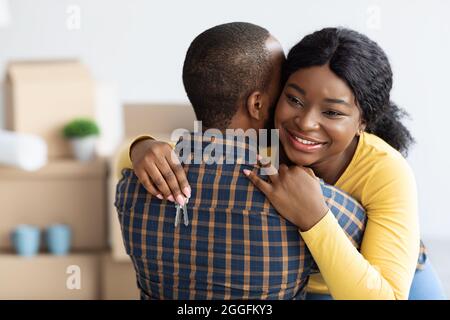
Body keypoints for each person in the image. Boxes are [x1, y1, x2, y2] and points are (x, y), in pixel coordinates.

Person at [127, 27, 445, 299]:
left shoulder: (386, 170)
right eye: (294, 99)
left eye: (332, 112)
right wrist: (142, 147)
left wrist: (314, 217)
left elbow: (385, 294)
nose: (304, 123)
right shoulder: (267, 135)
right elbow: (196, 148)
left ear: (364, 121)